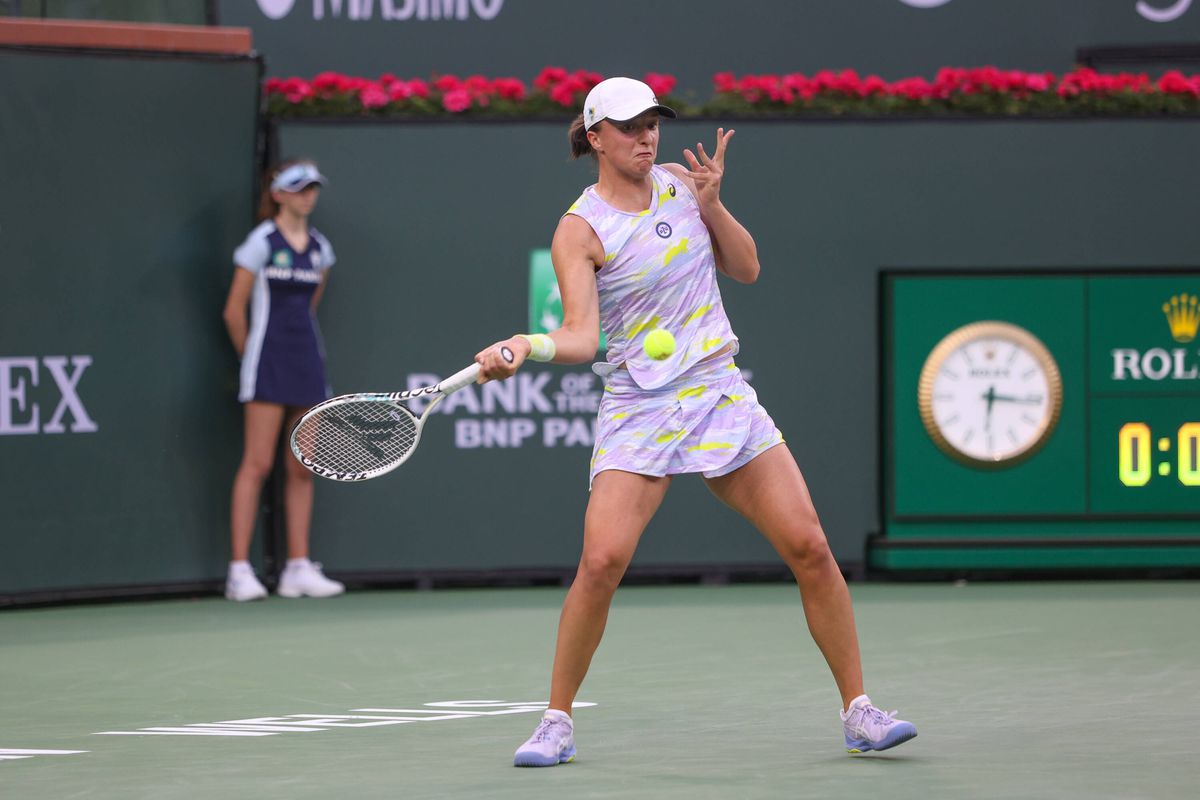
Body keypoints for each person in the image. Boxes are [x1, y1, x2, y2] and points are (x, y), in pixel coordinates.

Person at [473, 78, 917, 765]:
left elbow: (747, 267)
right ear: (594, 137)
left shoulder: (684, 183)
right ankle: (556, 721)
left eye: (652, 123)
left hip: (717, 390)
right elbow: (583, 337)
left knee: (810, 546)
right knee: (601, 562)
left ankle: (859, 711)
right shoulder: (579, 229)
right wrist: (525, 346)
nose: (645, 136)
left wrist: (713, 206)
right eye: (628, 127)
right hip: (639, 404)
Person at [221, 160, 345, 602]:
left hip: (307, 361)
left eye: (313, 188)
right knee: (257, 464)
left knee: (302, 466)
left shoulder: (319, 249)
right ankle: (239, 570)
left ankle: (297, 566)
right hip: (266, 363)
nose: (307, 196)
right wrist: (252, 358)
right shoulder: (260, 243)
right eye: (298, 188)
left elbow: (310, 304)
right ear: (278, 194)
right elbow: (234, 311)